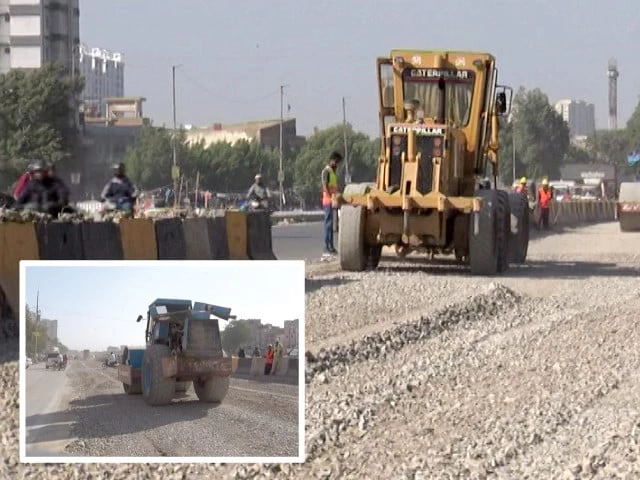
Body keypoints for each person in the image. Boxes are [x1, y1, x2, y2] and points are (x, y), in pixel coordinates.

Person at [321, 151, 343, 255]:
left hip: (332, 200)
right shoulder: (327, 171)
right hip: (328, 200)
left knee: (332, 225)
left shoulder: (332, 172)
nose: (337, 164)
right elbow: (325, 186)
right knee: (328, 224)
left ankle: (331, 246)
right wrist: (331, 197)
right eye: (337, 162)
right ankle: (327, 246)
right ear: (332, 160)